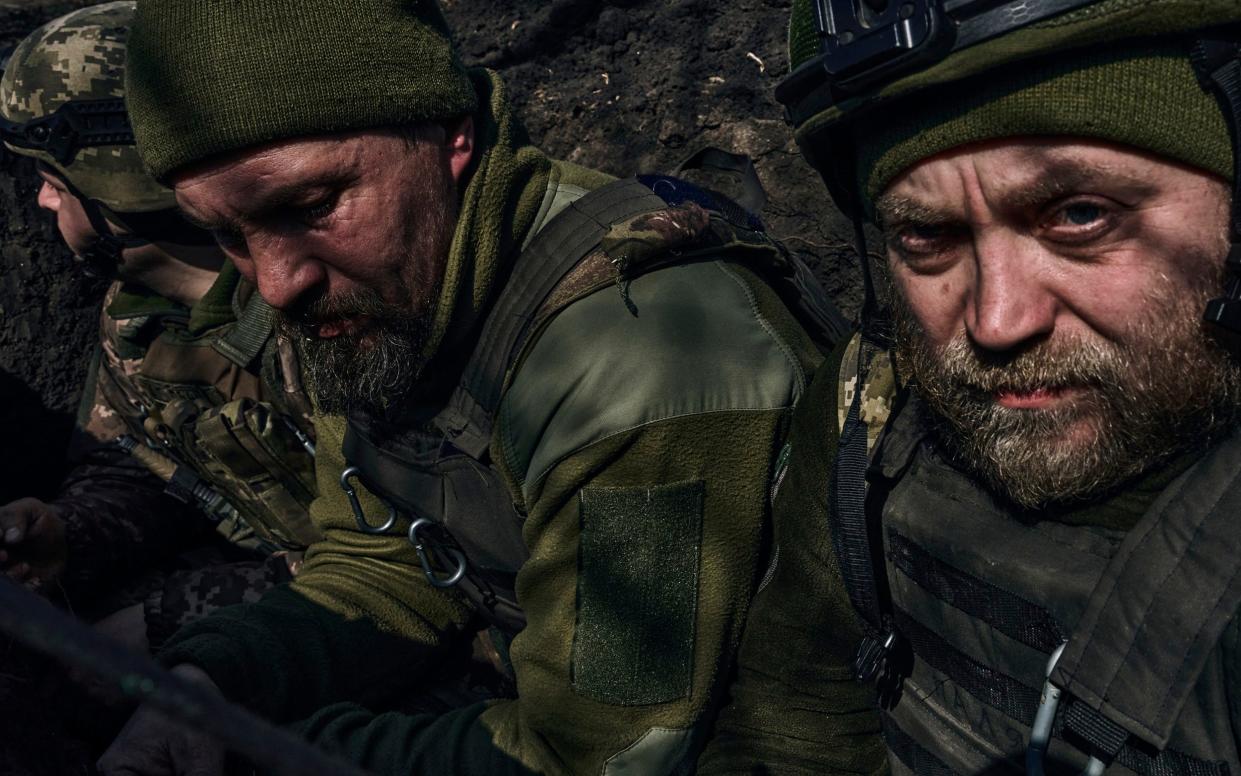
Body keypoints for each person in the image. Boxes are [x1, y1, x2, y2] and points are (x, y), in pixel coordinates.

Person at [96, 0, 843, 773]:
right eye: (225, 233)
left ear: (450, 133)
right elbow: (383, 551)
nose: (277, 284)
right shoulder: (376, 301)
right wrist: (213, 687)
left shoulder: (644, 361)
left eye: (312, 205)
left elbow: (601, 756)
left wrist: (257, 754)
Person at [698, 0, 1241, 773]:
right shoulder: (872, 408)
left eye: (1079, 215)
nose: (995, 322)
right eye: (926, 236)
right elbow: (793, 723)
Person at [0, 1, 320, 656]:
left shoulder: (322, 308)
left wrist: (171, 616)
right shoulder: (135, 318)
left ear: (115, 189)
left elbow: (409, 558)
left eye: (56, 182)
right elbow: (144, 468)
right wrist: (69, 532)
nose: (42, 200)